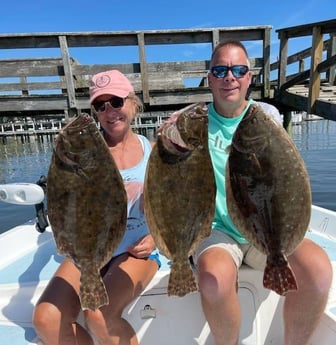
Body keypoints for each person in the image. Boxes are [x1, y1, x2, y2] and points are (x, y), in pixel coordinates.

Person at [193, 40, 333, 345]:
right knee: (214, 281)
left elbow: (287, 177)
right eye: (220, 70)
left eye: (238, 69)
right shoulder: (194, 124)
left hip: (270, 227)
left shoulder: (266, 116)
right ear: (210, 79)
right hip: (218, 230)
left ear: (249, 77)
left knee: (319, 270)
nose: (229, 76)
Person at [33, 70, 160, 345]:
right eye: (100, 106)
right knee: (46, 318)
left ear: (133, 102)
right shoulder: (78, 154)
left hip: (137, 249)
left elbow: (173, 206)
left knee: (99, 315)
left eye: (115, 101)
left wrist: (156, 238)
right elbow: (63, 203)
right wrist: (60, 161)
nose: (109, 111)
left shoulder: (154, 151)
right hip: (88, 247)